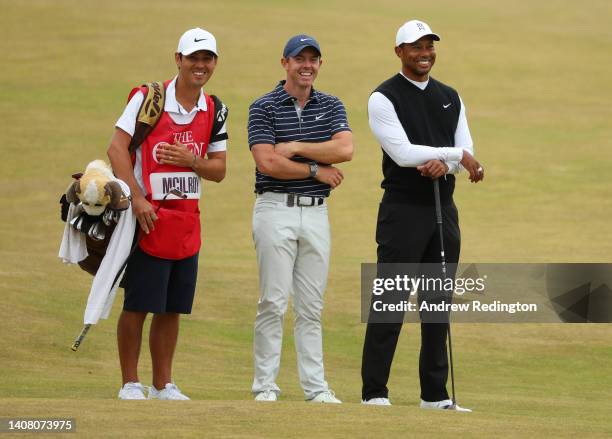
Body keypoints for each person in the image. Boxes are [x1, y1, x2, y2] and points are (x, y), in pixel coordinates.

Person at [361, 20, 484, 411]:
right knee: (390, 301)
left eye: (429, 45)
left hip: (442, 211)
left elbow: (465, 148)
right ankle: (374, 392)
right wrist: (454, 158)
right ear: (399, 51)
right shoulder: (383, 97)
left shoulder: (451, 96)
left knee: (437, 303)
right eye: (415, 47)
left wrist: (446, 164)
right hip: (402, 211)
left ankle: (435, 394)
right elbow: (402, 152)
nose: (424, 53)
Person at [107, 27, 228, 400]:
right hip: (148, 219)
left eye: (207, 58)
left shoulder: (215, 108)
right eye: (193, 58)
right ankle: (130, 382)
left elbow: (219, 169)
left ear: (214, 64)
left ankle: (163, 384)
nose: (200, 65)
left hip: (187, 221)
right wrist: (137, 197)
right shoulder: (149, 98)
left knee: (172, 307)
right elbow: (116, 149)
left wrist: (192, 160)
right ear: (178, 59)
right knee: (139, 304)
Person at [248, 34, 353, 403]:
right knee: (273, 301)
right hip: (274, 210)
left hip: (316, 214)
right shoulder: (263, 106)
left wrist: (295, 148)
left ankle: (316, 388)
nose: (306, 65)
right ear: (285, 63)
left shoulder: (331, 104)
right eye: (299, 59)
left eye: (313, 59)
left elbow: (344, 149)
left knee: (311, 306)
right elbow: (267, 162)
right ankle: (265, 385)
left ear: (320, 64)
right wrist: (315, 170)